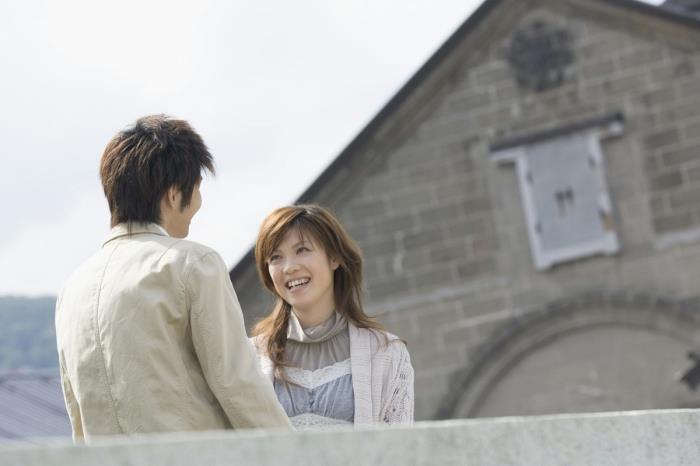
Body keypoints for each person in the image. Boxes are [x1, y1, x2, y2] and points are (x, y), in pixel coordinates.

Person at [55, 115, 292, 441]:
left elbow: (77, 417)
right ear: (173, 194)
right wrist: (300, 453)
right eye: (196, 188)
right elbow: (238, 383)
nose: (198, 202)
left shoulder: (72, 288)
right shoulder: (192, 263)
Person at [251, 204, 414, 429]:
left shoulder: (387, 353)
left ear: (334, 257)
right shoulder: (250, 357)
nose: (289, 267)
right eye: (275, 257)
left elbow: (400, 447)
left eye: (302, 250)